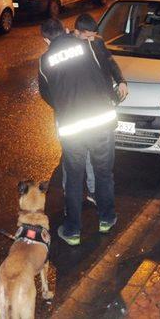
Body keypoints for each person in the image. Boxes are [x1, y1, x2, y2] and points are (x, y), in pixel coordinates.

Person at [38, 19, 118, 246]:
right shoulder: (84, 46)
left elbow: (46, 94)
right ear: (65, 30)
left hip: (72, 127)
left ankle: (72, 231)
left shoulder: (45, 61)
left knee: (73, 179)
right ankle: (106, 219)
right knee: (103, 173)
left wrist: (65, 105)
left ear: (46, 39)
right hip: (100, 121)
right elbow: (103, 74)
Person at [70, 13, 129, 204]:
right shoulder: (70, 50)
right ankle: (89, 191)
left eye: (93, 36)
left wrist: (121, 81)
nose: (91, 40)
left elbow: (110, 63)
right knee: (85, 155)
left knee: (103, 154)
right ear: (76, 32)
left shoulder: (97, 42)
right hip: (82, 111)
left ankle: (97, 190)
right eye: (87, 37)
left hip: (103, 106)